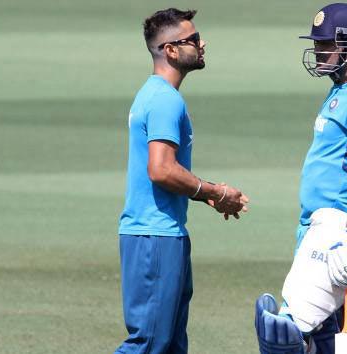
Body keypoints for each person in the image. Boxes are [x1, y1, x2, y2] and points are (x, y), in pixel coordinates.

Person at [255, 3, 347, 354]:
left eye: (325, 44)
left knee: (283, 336)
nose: (318, 51)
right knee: (322, 337)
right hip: (320, 227)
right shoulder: (340, 92)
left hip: (337, 229)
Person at [115, 8, 249, 354]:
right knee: (149, 344)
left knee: (171, 345)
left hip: (162, 234)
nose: (201, 44)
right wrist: (215, 192)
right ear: (170, 50)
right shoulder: (163, 100)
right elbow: (161, 170)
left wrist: (206, 196)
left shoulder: (156, 95)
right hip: (154, 236)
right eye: (192, 40)